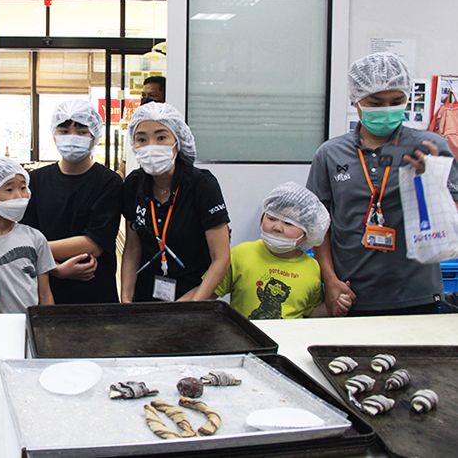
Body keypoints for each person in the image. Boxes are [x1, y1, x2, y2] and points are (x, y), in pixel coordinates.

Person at [307, 52, 458, 316]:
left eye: (396, 101)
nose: (387, 109)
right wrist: (330, 281)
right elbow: (319, 226)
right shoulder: (330, 154)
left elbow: (451, 217)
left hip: (418, 291)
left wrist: (432, 178)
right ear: (356, 101)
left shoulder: (431, 148)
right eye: (376, 102)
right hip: (351, 292)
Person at [121, 102, 231, 302]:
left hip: (192, 295)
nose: (151, 146)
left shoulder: (202, 185)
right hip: (146, 295)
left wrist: (192, 305)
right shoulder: (133, 183)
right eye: (142, 139)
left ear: (178, 141)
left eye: (161, 137)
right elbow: (132, 247)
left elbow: (221, 258)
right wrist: (126, 299)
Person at [21, 100, 123, 304]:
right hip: (45, 289)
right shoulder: (35, 181)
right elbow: (24, 238)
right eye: (64, 130)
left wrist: (39, 250)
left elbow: (93, 244)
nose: (72, 137)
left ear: (94, 136)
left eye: (82, 131)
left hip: (94, 292)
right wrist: (56, 269)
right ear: (54, 135)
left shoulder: (109, 182)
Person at [212, 182, 352, 319]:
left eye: (289, 223)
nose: (277, 227)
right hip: (245, 338)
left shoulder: (313, 268)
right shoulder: (240, 254)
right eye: (271, 218)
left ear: (308, 232)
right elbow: (209, 292)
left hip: (290, 339)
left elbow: (310, 313)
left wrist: (333, 307)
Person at [0, 156, 56, 313]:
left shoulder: (35, 238)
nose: (19, 196)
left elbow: (44, 295)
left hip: (28, 328)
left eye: (23, 188)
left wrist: (47, 327)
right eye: (9, 190)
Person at [120, 76, 166, 178]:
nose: (145, 99)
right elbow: (125, 161)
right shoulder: (134, 126)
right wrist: (119, 173)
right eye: (143, 95)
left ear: (164, 99)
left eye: (151, 95)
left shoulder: (168, 132)